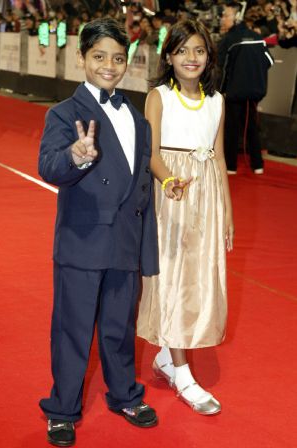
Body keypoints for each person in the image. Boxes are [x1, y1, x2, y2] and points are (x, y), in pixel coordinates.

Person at [38, 17, 159, 447]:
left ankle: (125, 394)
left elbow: (141, 186)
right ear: (82, 58)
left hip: (125, 241)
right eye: (99, 56)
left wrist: (147, 246)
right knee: (72, 328)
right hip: (82, 241)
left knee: (118, 327)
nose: (109, 65)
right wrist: (74, 155)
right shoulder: (63, 113)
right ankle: (63, 408)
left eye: (118, 57)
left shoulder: (137, 116)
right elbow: (48, 167)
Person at [137, 19, 234, 415]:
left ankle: (166, 357)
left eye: (198, 50)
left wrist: (226, 210)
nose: (190, 58)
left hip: (207, 196)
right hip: (172, 195)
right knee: (174, 278)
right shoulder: (158, 96)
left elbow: (221, 156)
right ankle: (181, 371)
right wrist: (168, 183)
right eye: (182, 51)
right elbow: (152, 154)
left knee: (197, 279)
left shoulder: (218, 101)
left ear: (209, 56)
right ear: (169, 56)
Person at [218, 2, 273, 174]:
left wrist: (221, 90)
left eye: (226, 15)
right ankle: (258, 165)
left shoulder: (228, 40)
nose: (222, 19)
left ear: (236, 18)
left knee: (232, 129)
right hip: (254, 92)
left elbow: (222, 67)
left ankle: (231, 166)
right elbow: (269, 61)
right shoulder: (257, 37)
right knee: (252, 128)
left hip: (234, 92)